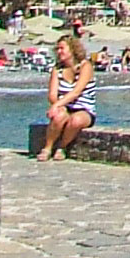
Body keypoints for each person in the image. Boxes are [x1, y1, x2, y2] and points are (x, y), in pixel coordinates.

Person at [35, 26, 98, 159]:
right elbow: (52, 94)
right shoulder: (57, 69)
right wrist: (58, 106)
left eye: (62, 48)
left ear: (72, 49)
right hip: (64, 105)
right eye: (57, 49)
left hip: (84, 109)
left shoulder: (85, 66)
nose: (59, 52)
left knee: (75, 121)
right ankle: (47, 147)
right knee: (59, 116)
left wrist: (56, 106)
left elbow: (76, 92)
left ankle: (62, 147)